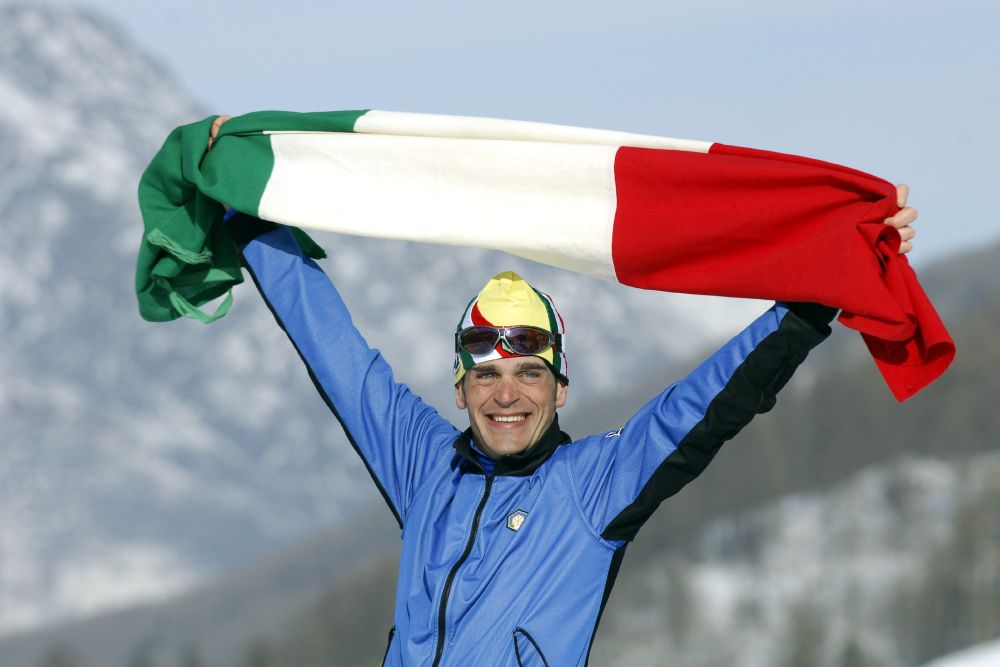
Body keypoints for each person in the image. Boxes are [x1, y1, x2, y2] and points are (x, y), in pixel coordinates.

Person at [211, 117, 917, 667]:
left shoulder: (593, 485)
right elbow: (330, 346)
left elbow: (714, 398)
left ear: (561, 385)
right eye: (485, 373)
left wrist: (825, 286)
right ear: (460, 389)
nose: (505, 393)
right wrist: (244, 203)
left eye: (529, 371)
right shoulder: (424, 466)